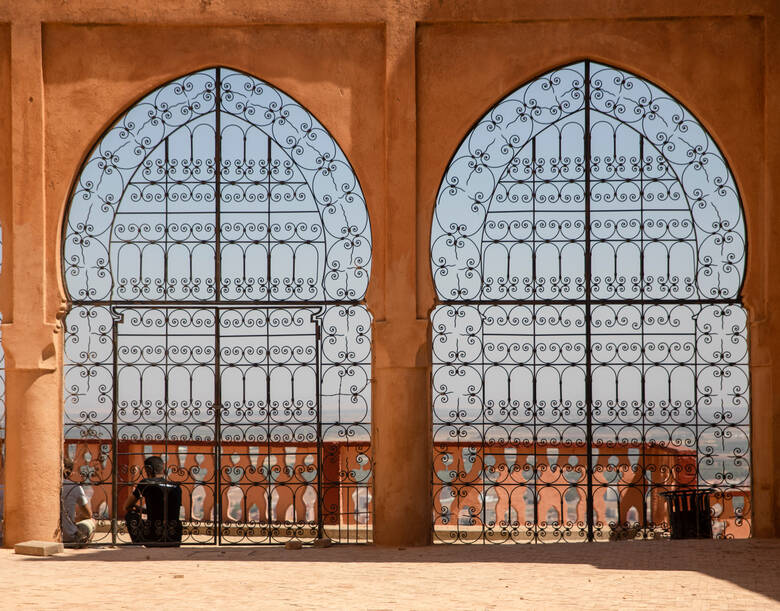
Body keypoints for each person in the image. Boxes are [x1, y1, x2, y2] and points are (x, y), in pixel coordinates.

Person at [123, 456, 182, 546]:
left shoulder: (146, 483)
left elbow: (126, 506)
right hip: (174, 538)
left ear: (148, 470)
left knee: (130, 515)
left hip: (152, 537)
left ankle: (139, 541)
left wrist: (138, 509)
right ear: (163, 469)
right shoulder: (176, 487)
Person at [61, 457, 95, 545]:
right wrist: (76, 519)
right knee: (92, 521)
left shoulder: (49, 486)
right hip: (69, 537)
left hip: (51, 537)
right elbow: (88, 514)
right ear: (71, 473)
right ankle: (84, 544)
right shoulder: (74, 487)